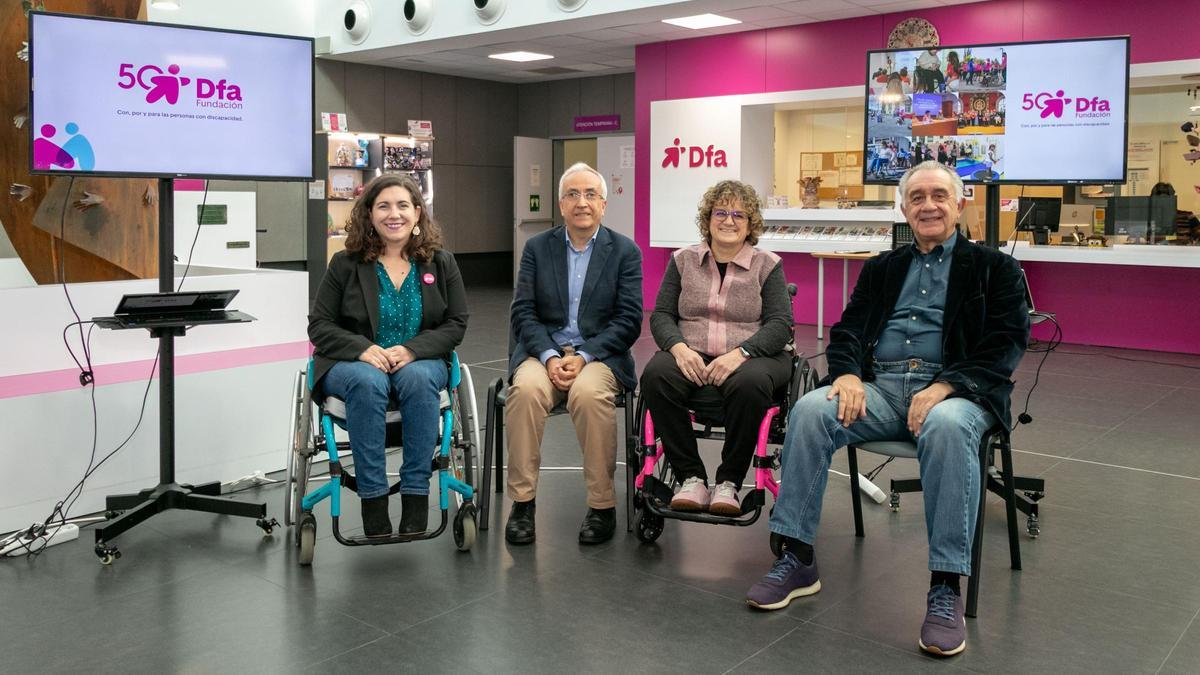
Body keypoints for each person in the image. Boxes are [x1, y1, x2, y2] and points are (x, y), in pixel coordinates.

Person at [745, 161, 1029, 658]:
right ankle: (798, 556)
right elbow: (849, 329)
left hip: (956, 393)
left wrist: (946, 385)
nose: (928, 205)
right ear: (903, 208)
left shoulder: (995, 269)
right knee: (812, 410)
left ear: (959, 205)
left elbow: (1005, 344)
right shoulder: (881, 269)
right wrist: (850, 373)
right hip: (879, 386)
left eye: (939, 195)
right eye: (917, 197)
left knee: (945, 426)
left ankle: (945, 586)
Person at [308, 174, 468, 538]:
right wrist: (362, 349)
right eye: (383, 206)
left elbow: (456, 323)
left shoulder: (441, 263)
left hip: (421, 362)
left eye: (401, 206)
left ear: (417, 213)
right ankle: (373, 498)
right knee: (368, 380)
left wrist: (413, 349)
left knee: (418, 377)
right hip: (352, 365)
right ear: (369, 214)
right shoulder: (345, 265)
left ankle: (415, 494)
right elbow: (319, 326)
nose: (393, 214)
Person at [504, 162, 643, 545]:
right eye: (572, 194)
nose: (581, 202)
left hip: (599, 356)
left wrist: (584, 357)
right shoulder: (536, 248)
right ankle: (522, 503)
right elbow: (523, 312)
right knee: (526, 392)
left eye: (590, 194)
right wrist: (549, 356)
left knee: (588, 394)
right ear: (561, 204)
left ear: (603, 203)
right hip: (543, 351)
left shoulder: (625, 252)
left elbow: (629, 320)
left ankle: (601, 506)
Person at [639, 180, 794, 516]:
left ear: (750, 224)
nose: (729, 220)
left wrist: (741, 354)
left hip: (754, 355)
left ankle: (729, 483)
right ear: (707, 219)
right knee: (655, 375)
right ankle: (691, 477)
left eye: (739, 214)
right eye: (721, 212)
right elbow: (662, 315)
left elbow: (780, 325)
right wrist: (678, 348)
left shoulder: (768, 265)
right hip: (692, 351)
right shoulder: (682, 261)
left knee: (750, 383)